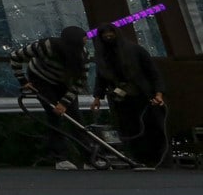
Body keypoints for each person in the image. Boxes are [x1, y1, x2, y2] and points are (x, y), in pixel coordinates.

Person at [10, 26, 90, 170]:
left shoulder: (83, 55)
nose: (85, 42)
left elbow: (80, 82)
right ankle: (60, 158)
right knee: (54, 116)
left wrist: (65, 102)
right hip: (41, 79)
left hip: (66, 83)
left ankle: (89, 157)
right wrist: (23, 81)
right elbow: (15, 56)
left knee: (76, 117)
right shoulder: (45, 46)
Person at [90, 23, 167, 166]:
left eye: (110, 32)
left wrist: (159, 93)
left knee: (150, 127)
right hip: (120, 99)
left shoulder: (135, 50)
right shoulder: (102, 56)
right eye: (104, 33)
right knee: (128, 129)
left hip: (142, 95)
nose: (108, 36)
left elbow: (153, 72)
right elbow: (101, 78)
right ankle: (137, 159)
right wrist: (97, 97)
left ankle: (154, 159)